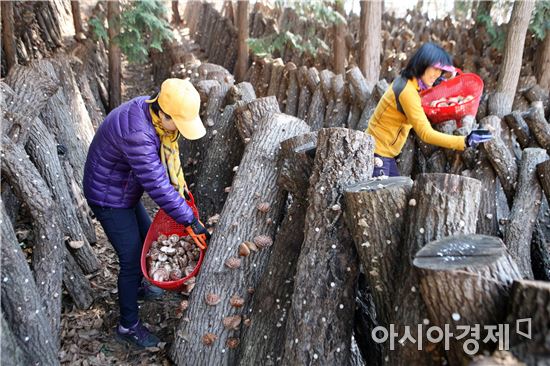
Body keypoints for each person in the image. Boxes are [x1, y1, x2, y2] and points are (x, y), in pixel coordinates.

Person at [83, 78, 210, 348]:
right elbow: (156, 184)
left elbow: (164, 173)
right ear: (164, 114)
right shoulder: (138, 135)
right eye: (178, 123)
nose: (179, 132)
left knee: (146, 238)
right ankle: (128, 326)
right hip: (108, 196)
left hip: (123, 188)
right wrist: (188, 219)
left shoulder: (150, 112)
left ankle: (138, 288)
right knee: (130, 259)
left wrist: (182, 193)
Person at [366, 42, 492, 177]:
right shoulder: (407, 92)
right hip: (377, 154)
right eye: (435, 69)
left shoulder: (408, 82)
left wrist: (438, 84)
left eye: (440, 71)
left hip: (384, 153)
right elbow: (425, 134)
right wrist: (464, 141)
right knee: (383, 196)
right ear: (422, 63)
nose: (437, 74)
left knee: (395, 191)